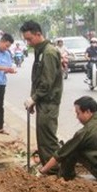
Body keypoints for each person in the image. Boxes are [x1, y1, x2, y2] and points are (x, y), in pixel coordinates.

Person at [20, 20, 63, 169]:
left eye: (30, 39)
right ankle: (48, 167)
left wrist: (34, 98)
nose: (28, 43)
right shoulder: (40, 51)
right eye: (26, 39)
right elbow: (37, 79)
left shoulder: (49, 52)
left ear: (38, 34)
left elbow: (47, 82)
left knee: (48, 138)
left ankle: (55, 170)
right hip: (43, 102)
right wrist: (34, 99)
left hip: (49, 102)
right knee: (42, 137)